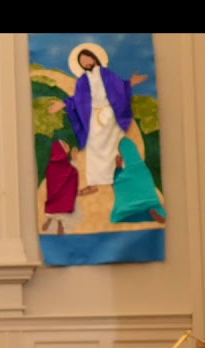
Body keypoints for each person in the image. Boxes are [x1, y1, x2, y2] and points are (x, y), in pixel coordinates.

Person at [47, 43, 146, 195]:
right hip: (94, 118)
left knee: (114, 149)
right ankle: (93, 184)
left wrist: (131, 82)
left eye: (87, 58)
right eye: (82, 61)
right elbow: (77, 99)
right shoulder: (82, 81)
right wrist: (62, 103)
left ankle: (117, 180)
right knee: (93, 149)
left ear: (94, 58)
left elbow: (119, 88)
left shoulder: (107, 74)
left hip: (110, 117)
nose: (86, 62)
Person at [109, 137, 167, 224]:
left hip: (126, 211)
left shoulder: (122, 175)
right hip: (149, 205)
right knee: (154, 206)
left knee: (118, 213)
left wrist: (118, 167)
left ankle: (131, 212)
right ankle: (154, 213)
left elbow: (117, 183)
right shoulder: (144, 169)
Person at [41, 139, 83, 235]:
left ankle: (49, 221)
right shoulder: (66, 165)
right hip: (62, 199)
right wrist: (75, 159)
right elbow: (72, 172)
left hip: (53, 198)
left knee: (53, 212)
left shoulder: (50, 166)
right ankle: (59, 226)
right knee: (61, 217)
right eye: (65, 144)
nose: (67, 145)